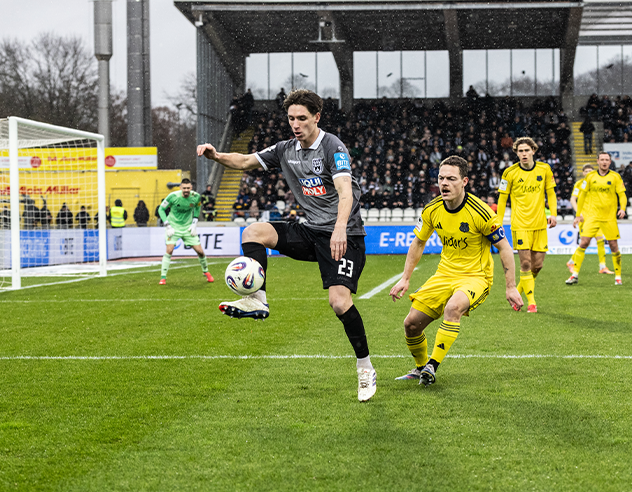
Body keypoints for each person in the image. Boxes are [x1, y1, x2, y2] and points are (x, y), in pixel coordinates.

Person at [197, 88, 377, 402]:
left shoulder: (332, 147)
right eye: (291, 118)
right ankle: (257, 299)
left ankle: (365, 367)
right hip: (311, 231)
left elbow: (345, 193)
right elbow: (245, 161)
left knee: (339, 302)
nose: (296, 124)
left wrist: (338, 231)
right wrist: (216, 156)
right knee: (254, 231)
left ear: (316, 117)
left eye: (302, 118)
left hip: (345, 236)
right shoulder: (285, 149)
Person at [389, 155, 522, 386]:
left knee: (453, 307)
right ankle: (421, 368)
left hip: (475, 277)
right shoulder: (432, 209)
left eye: (451, 178)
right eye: (441, 178)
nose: (444, 183)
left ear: (465, 181)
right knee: (410, 324)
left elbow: (504, 247)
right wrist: (405, 279)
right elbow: (418, 242)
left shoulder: (481, 212)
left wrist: (510, 287)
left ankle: (432, 366)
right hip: (444, 274)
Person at [495, 137, 557, 313]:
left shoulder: (545, 169)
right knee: (526, 264)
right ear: (516, 153)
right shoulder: (509, 172)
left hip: (539, 224)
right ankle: (531, 302)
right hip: (520, 224)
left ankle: (519, 291)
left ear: (533, 151)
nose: (523, 154)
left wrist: (553, 213)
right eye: (520, 151)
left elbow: (551, 193)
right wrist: (498, 222)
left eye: (526, 150)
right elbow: (502, 199)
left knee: (538, 266)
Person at [566, 152, 627, 286]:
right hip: (592, 217)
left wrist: (622, 208)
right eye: (602, 160)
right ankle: (574, 274)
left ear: (610, 162)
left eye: (607, 160)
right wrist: (578, 215)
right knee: (584, 242)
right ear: (598, 161)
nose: (604, 162)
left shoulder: (615, 177)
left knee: (613, 246)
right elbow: (580, 197)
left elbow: (622, 194)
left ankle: (618, 276)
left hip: (609, 217)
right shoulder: (590, 177)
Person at [156, 178, 215, 285]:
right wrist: (167, 225)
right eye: (184, 188)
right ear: (180, 188)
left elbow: (198, 207)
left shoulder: (196, 197)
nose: (186, 190)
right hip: (173, 227)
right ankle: (163, 277)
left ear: (191, 188)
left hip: (188, 228)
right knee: (169, 250)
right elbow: (161, 209)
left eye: (188, 188)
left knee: (200, 251)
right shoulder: (173, 196)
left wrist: (194, 223)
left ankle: (206, 271)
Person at [566, 164, 614, 276]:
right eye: (586, 171)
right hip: (584, 217)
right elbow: (573, 199)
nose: (588, 173)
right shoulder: (579, 184)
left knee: (600, 239)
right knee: (585, 243)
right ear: (583, 173)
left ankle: (603, 267)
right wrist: (579, 214)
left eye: (590, 171)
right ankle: (572, 262)